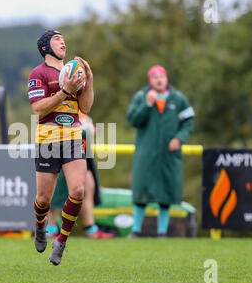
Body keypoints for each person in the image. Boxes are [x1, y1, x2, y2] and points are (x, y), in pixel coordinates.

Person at [27, 30, 94, 265]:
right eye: (56, 39)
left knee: (78, 191)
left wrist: (89, 79)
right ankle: (40, 226)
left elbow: (85, 108)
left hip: (74, 137)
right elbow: (38, 109)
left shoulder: (75, 72)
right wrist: (65, 91)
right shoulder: (38, 73)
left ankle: (61, 241)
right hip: (48, 140)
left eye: (64, 38)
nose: (63, 41)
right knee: (44, 199)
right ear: (46, 47)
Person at [127, 65, 195, 238]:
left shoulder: (178, 99)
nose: (159, 80)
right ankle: (135, 230)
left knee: (166, 194)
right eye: (155, 77)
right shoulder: (142, 96)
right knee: (141, 191)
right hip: (146, 153)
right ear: (150, 80)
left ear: (166, 79)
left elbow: (188, 121)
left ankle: (162, 232)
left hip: (168, 155)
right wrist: (147, 104)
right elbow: (133, 120)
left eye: (162, 76)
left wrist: (179, 138)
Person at [48, 113, 113, 239]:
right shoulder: (63, 110)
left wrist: (88, 129)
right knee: (57, 192)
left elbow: (90, 133)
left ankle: (91, 228)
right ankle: (50, 228)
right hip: (62, 154)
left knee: (89, 187)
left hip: (82, 155)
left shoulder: (85, 115)